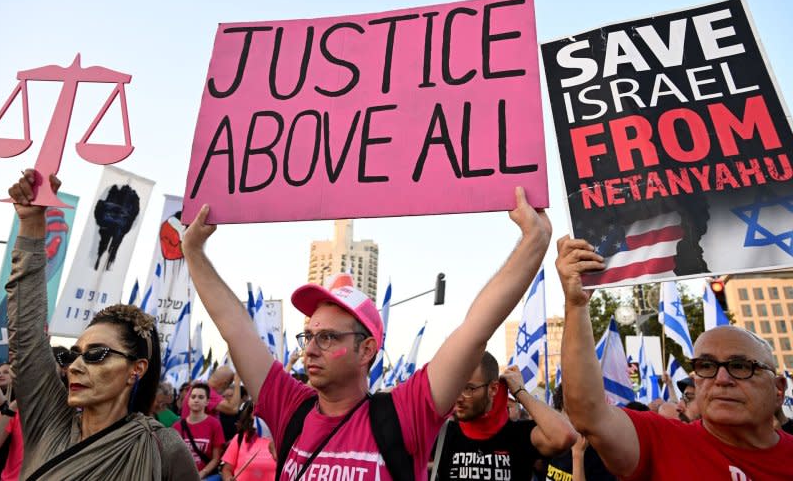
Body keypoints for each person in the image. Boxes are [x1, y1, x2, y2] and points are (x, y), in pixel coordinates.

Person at [182, 186, 551, 481]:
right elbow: (236, 329)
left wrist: (533, 242)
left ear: (366, 349)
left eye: (327, 337)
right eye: (308, 335)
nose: (310, 349)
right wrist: (194, 251)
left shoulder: (405, 413)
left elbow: (475, 330)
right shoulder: (290, 406)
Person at [6, 170, 198, 480]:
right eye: (73, 355)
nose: (76, 366)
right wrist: (30, 223)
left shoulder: (163, 448)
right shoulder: (50, 420)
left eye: (96, 354)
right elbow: (26, 332)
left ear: (136, 368)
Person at [555, 235, 793, 479]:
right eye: (707, 366)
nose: (722, 378)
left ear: (778, 390)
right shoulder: (662, 440)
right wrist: (576, 305)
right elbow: (587, 412)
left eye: (741, 366)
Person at [433, 352, 576, 480]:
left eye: (468, 388)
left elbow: (565, 436)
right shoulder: (443, 433)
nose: (458, 397)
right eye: (455, 387)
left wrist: (520, 392)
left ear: (493, 389)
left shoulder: (520, 434)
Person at [174, 382, 225, 479]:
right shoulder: (177, 426)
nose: (196, 400)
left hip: (206, 477)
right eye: (193, 397)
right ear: (188, 401)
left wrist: (202, 473)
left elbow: (216, 458)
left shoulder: (214, 424)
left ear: (207, 402)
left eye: (201, 397)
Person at [221, 401, 276, 481]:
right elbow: (227, 469)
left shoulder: (281, 440)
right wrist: (228, 479)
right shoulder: (240, 438)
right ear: (251, 415)